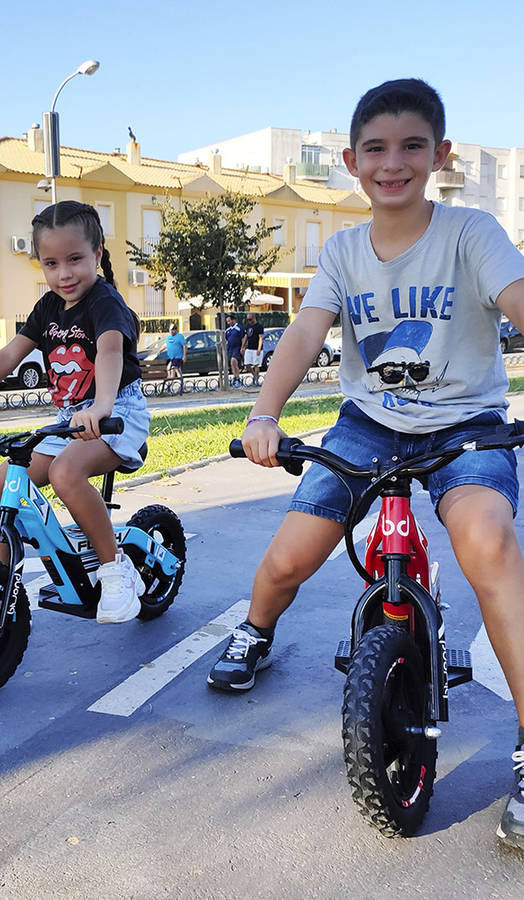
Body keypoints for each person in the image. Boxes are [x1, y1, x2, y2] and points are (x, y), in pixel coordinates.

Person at [206, 78, 524, 849]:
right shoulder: (345, 252)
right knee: (287, 559)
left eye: (412, 146)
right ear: (352, 161)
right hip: (367, 425)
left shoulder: (471, 233)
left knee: (487, 541)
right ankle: (254, 633)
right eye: (376, 149)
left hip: (466, 423)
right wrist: (264, 414)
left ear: (440, 155)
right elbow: (304, 336)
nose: (394, 163)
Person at [0, 201, 150, 624]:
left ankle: (115, 567)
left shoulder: (105, 302)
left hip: (117, 411)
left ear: (98, 254)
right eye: (51, 263)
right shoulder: (48, 308)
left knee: (65, 474)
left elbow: (109, 350)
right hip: (71, 418)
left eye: (75, 259)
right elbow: (8, 355)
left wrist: (102, 406)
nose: (64, 274)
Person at [241, 312, 264, 386]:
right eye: (248, 319)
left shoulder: (259, 326)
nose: (249, 321)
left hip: (256, 348)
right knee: (247, 364)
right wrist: (243, 347)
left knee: (256, 365)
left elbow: (260, 338)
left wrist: (259, 349)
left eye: (250, 319)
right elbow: (246, 337)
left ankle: (256, 380)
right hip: (249, 348)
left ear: (254, 318)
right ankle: (255, 375)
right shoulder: (247, 326)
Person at [164, 322, 186, 392]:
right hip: (171, 358)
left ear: (176, 330)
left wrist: (184, 356)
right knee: (170, 371)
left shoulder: (180, 336)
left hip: (178, 357)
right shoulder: (169, 337)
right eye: (170, 330)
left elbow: (184, 346)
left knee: (177, 370)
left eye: (173, 330)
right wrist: (158, 351)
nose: (171, 331)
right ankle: (170, 386)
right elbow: (166, 345)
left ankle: (181, 386)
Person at [224, 313, 244, 387]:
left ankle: (238, 377)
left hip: (237, 347)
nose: (228, 323)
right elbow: (226, 339)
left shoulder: (239, 328)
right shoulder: (228, 330)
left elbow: (243, 338)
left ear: (233, 320)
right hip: (230, 348)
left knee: (234, 361)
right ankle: (235, 377)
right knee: (232, 364)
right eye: (227, 321)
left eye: (229, 321)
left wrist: (242, 347)